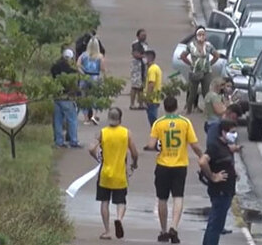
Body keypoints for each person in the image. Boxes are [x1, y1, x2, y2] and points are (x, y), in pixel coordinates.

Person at [147, 96, 204, 243]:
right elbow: (194, 145)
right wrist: (201, 156)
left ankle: (164, 229)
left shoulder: (158, 123)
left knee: (162, 198)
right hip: (179, 165)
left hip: (163, 165)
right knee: (178, 197)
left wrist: (159, 146)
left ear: (164, 107)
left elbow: (151, 145)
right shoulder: (185, 123)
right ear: (176, 107)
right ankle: (174, 226)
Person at [89, 108, 139, 240]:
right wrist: (134, 163)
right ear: (120, 119)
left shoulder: (102, 133)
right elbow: (134, 152)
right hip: (120, 174)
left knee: (104, 202)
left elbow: (91, 148)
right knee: (121, 201)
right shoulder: (126, 133)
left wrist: (98, 158)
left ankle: (107, 231)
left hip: (105, 173)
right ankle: (119, 219)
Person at [199, 119, 239, 245]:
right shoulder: (214, 147)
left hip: (226, 191)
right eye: (231, 132)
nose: (234, 135)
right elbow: (202, 161)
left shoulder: (224, 146)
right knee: (215, 225)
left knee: (217, 223)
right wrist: (212, 176)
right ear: (223, 132)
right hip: (220, 191)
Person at [179, 26, 220, 114]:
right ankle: (189, 109)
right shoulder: (191, 45)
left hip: (206, 72)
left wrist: (209, 63)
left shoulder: (208, 45)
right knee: (192, 92)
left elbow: (217, 55)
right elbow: (183, 56)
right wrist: (191, 63)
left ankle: (208, 110)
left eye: (203, 34)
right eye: (199, 34)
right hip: (195, 72)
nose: (201, 36)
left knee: (206, 92)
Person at [51, 48, 80, 148]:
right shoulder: (71, 71)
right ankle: (73, 140)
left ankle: (59, 141)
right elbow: (75, 84)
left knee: (57, 120)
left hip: (56, 96)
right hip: (67, 97)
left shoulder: (54, 67)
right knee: (72, 119)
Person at [77, 37, 106, 124]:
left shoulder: (84, 55)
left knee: (84, 97)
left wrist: (82, 73)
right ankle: (94, 115)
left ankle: (86, 118)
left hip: (85, 76)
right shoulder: (100, 56)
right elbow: (102, 68)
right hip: (95, 77)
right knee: (95, 97)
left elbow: (78, 65)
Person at [130, 29, 149, 110]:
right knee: (135, 86)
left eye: (145, 35)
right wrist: (144, 56)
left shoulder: (145, 44)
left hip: (143, 67)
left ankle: (141, 103)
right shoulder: (136, 44)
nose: (144, 37)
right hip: (136, 67)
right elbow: (135, 54)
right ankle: (132, 104)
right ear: (138, 36)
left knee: (141, 86)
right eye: (142, 35)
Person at [144, 50, 163, 127]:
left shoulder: (152, 69)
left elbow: (151, 84)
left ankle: (156, 137)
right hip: (156, 98)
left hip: (152, 99)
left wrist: (148, 97)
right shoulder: (156, 67)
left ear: (149, 58)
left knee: (153, 121)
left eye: (144, 57)